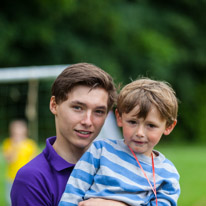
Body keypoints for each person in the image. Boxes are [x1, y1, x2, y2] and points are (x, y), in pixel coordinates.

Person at [11, 63, 128, 206]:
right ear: (54, 105)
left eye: (98, 111)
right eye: (78, 108)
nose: (88, 121)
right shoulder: (32, 179)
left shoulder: (120, 166)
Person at [59, 77, 180, 206]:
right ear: (119, 118)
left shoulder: (167, 173)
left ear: (168, 127)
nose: (139, 133)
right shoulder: (100, 151)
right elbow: (72, 193)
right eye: (132, 122)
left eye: (151, 125)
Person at [2, 119, 39, 205]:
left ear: (25, 132)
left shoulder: (30, 144)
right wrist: (15, 146)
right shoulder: (8, 143)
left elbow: (34, 162)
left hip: (25, 178)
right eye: (15, 132)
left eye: (19, 132)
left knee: (25, 198)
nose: (17, 135)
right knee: (10, 199)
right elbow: (9, 159)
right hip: (11, 178)